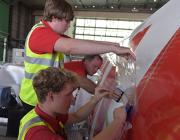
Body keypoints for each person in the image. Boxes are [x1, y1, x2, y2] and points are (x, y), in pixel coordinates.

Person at [19, 0, 135, 113]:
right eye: (67, 21)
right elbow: (70, 47)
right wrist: (112, 49)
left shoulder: (54, 36)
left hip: (45, 98)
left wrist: (113, 45)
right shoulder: (40, 33)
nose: (69, 26)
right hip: (34, 99)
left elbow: (81, 42)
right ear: (54, 17)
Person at [18, 67, 127, 140]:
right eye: (69, 94)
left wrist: (95, 99)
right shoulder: (39, 134)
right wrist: (118, 121)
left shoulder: (46, 113)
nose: (73, 99)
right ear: (51, 96)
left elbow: (76, 116)